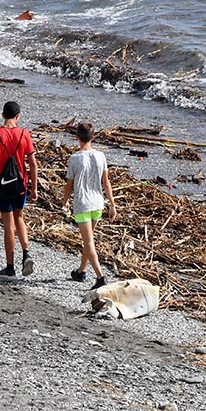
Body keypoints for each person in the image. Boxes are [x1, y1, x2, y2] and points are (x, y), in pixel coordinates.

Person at [0, 100, 38, 278]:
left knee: (8, 225)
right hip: (20, 184)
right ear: (17, 116)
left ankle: (10, 267)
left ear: (3, 114)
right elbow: (33, 164)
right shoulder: (24, 134)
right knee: (19, 217)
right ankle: (26, 252)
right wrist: (34, 187)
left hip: (2, 185)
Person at [60, 121, 116, 290]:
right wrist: (112, 204)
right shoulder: (101, 156)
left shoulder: (75, 159)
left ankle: (100, 277)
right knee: (88, 240)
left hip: (83, 203)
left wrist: (64, 201)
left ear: (77, 137)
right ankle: (81, 271)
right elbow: (106, 183)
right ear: (93, 137)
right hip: (98, 202)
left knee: (89, 241)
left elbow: (69, 185)